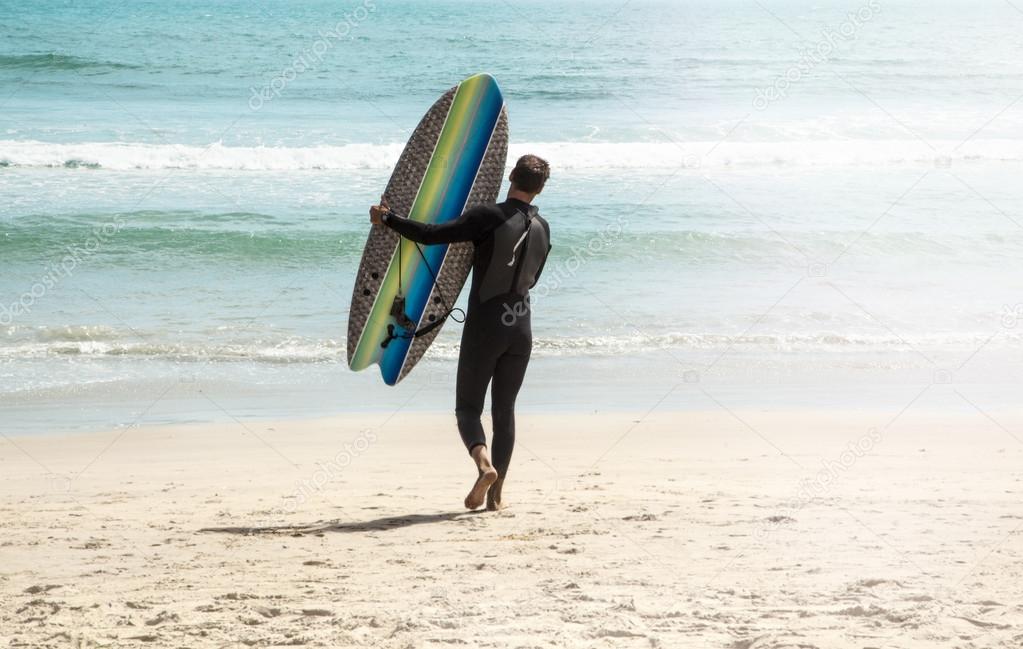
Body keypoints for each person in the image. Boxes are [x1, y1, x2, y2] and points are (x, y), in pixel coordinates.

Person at [369, 154, 551, 511]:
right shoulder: (544, 227)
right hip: (522, 327)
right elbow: (534, 277)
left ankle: (485, 467)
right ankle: (496, 499)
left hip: (486, 325)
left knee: (468, 409)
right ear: (540, 188)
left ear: (511, 176)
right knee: (505, 410)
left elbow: (433, 236)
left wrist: (388, 218)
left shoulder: (488, 216)